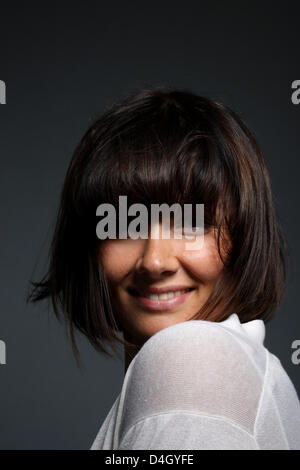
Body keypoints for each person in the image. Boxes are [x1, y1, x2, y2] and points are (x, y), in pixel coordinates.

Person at [28, 87, 300, 450]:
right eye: (125, 225)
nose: (154, 261)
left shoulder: (193, 360)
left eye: (193, 224)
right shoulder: (243, 371)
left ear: (245, 235)